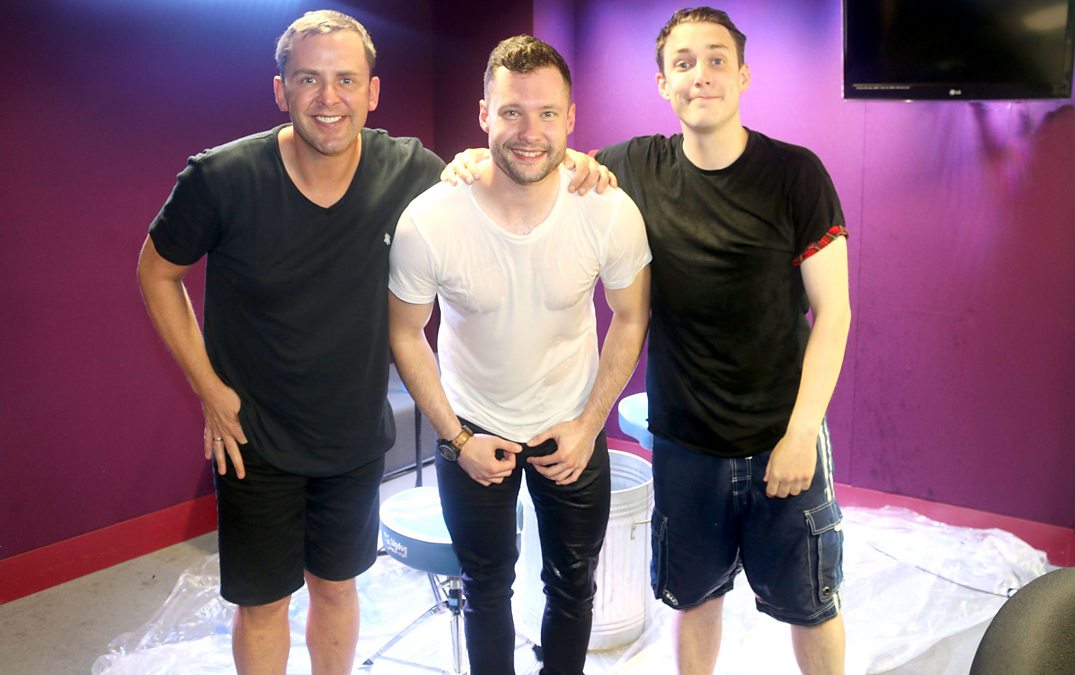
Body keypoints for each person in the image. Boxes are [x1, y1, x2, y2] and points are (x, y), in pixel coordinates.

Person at [445, 7, 851, 674]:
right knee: (694, 598)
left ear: (743, 74)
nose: (701, 75)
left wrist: (803, 433)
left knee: (812, 603)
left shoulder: (795, 175)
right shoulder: (636, 166)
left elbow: (834, 314)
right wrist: (474, 159)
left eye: (717, 60)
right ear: (664, 83)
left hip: (782, 434)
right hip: (685, 443)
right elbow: (539, 157)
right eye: (683, 63)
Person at [136, 11, 446, 674]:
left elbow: (490, 188)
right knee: (264, 605)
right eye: (308, 79)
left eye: (346, 80)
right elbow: (156, 272)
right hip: (253, 439)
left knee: (336, 588)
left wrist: (559, 164)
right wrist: (209, 390)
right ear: (281, 90)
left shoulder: (409, 169)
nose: (328, 98)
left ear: (372, 91)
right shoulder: (222, 177)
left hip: (353, 436)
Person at [388, 35, 651, 675]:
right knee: (486, 588)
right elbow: (405, 333)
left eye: (546, 113)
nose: (530, 132)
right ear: (484, 114)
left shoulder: (607, 210)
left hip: (571, 425)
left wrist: (589, 424)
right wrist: (455, 439)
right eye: (511, 112)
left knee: (572, 584)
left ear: (570, 117)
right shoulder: (430, 220)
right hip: (471, 428)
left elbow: (631, 316)